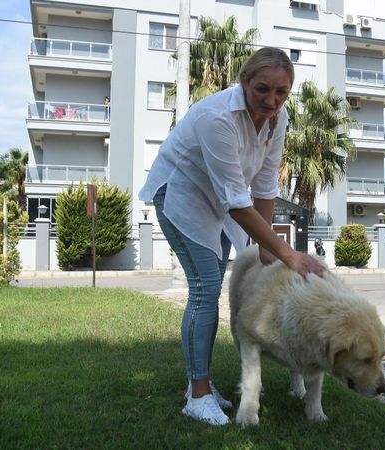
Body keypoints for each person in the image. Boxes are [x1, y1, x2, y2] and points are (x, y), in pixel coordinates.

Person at [138, 47, 324, 426]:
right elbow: (238, 201)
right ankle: (198, 393)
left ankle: (201, 386)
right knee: (205, 286)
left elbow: (267, 182)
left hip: (220, 201)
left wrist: (267, 248)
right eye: (262, 89)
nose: (271, 100)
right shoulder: (217, 117)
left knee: (212, 286)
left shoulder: (278, 117)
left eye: (281, 92)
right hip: (181, 193)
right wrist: (288, 254)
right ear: (244, 82)